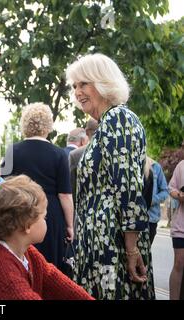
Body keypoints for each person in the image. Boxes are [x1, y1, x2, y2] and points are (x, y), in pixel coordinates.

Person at [66, 53, 154, 299]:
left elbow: (128, 188)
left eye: (84, 84)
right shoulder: (108, 122)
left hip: (112, 247)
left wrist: (131, 249)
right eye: (75, 86)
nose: (77, 92)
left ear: (103, 82)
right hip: (101, 246)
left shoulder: (118, 118)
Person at [0, 175, 93, 300]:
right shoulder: (1, 269)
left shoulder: (26, 252)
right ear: (27, 225)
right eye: (44, 217)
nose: (45, 222)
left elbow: (54, 281)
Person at [1, 103, 74, 272]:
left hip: (20, 212)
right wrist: (70, 225)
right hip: (50, 215)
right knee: (49, 267)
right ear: (48, 125)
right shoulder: (59, 154)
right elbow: (65, 195)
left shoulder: (13, 150)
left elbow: (3, 186)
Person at [69, 118, 98, 202]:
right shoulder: (115, 152)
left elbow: (72, 189)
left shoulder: (76, 155)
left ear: (86, 131)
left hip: (85, 207)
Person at [168, 160, 184, 300]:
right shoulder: (181, 166)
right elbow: (171, 188)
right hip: (181, 227)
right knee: (179, 263)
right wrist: (179, 195)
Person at [144, 157, 168, 243]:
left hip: (151, 219)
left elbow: (165, 191)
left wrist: (151, 200)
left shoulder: (155, 166)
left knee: (145, 254)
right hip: (131, 219)